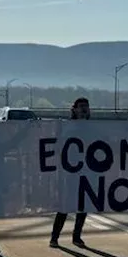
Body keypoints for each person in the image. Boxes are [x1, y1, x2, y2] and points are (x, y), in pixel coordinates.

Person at [50, 98, 91, 248]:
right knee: (66, 205)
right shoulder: (68, 127)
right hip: (71, 172)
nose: (84, 109)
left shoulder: (93, 127)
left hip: (87, 171)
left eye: (86, 106)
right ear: (74, 109)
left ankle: (77, 236)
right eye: (81, 107)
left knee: (84, 206)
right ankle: (54, 237)